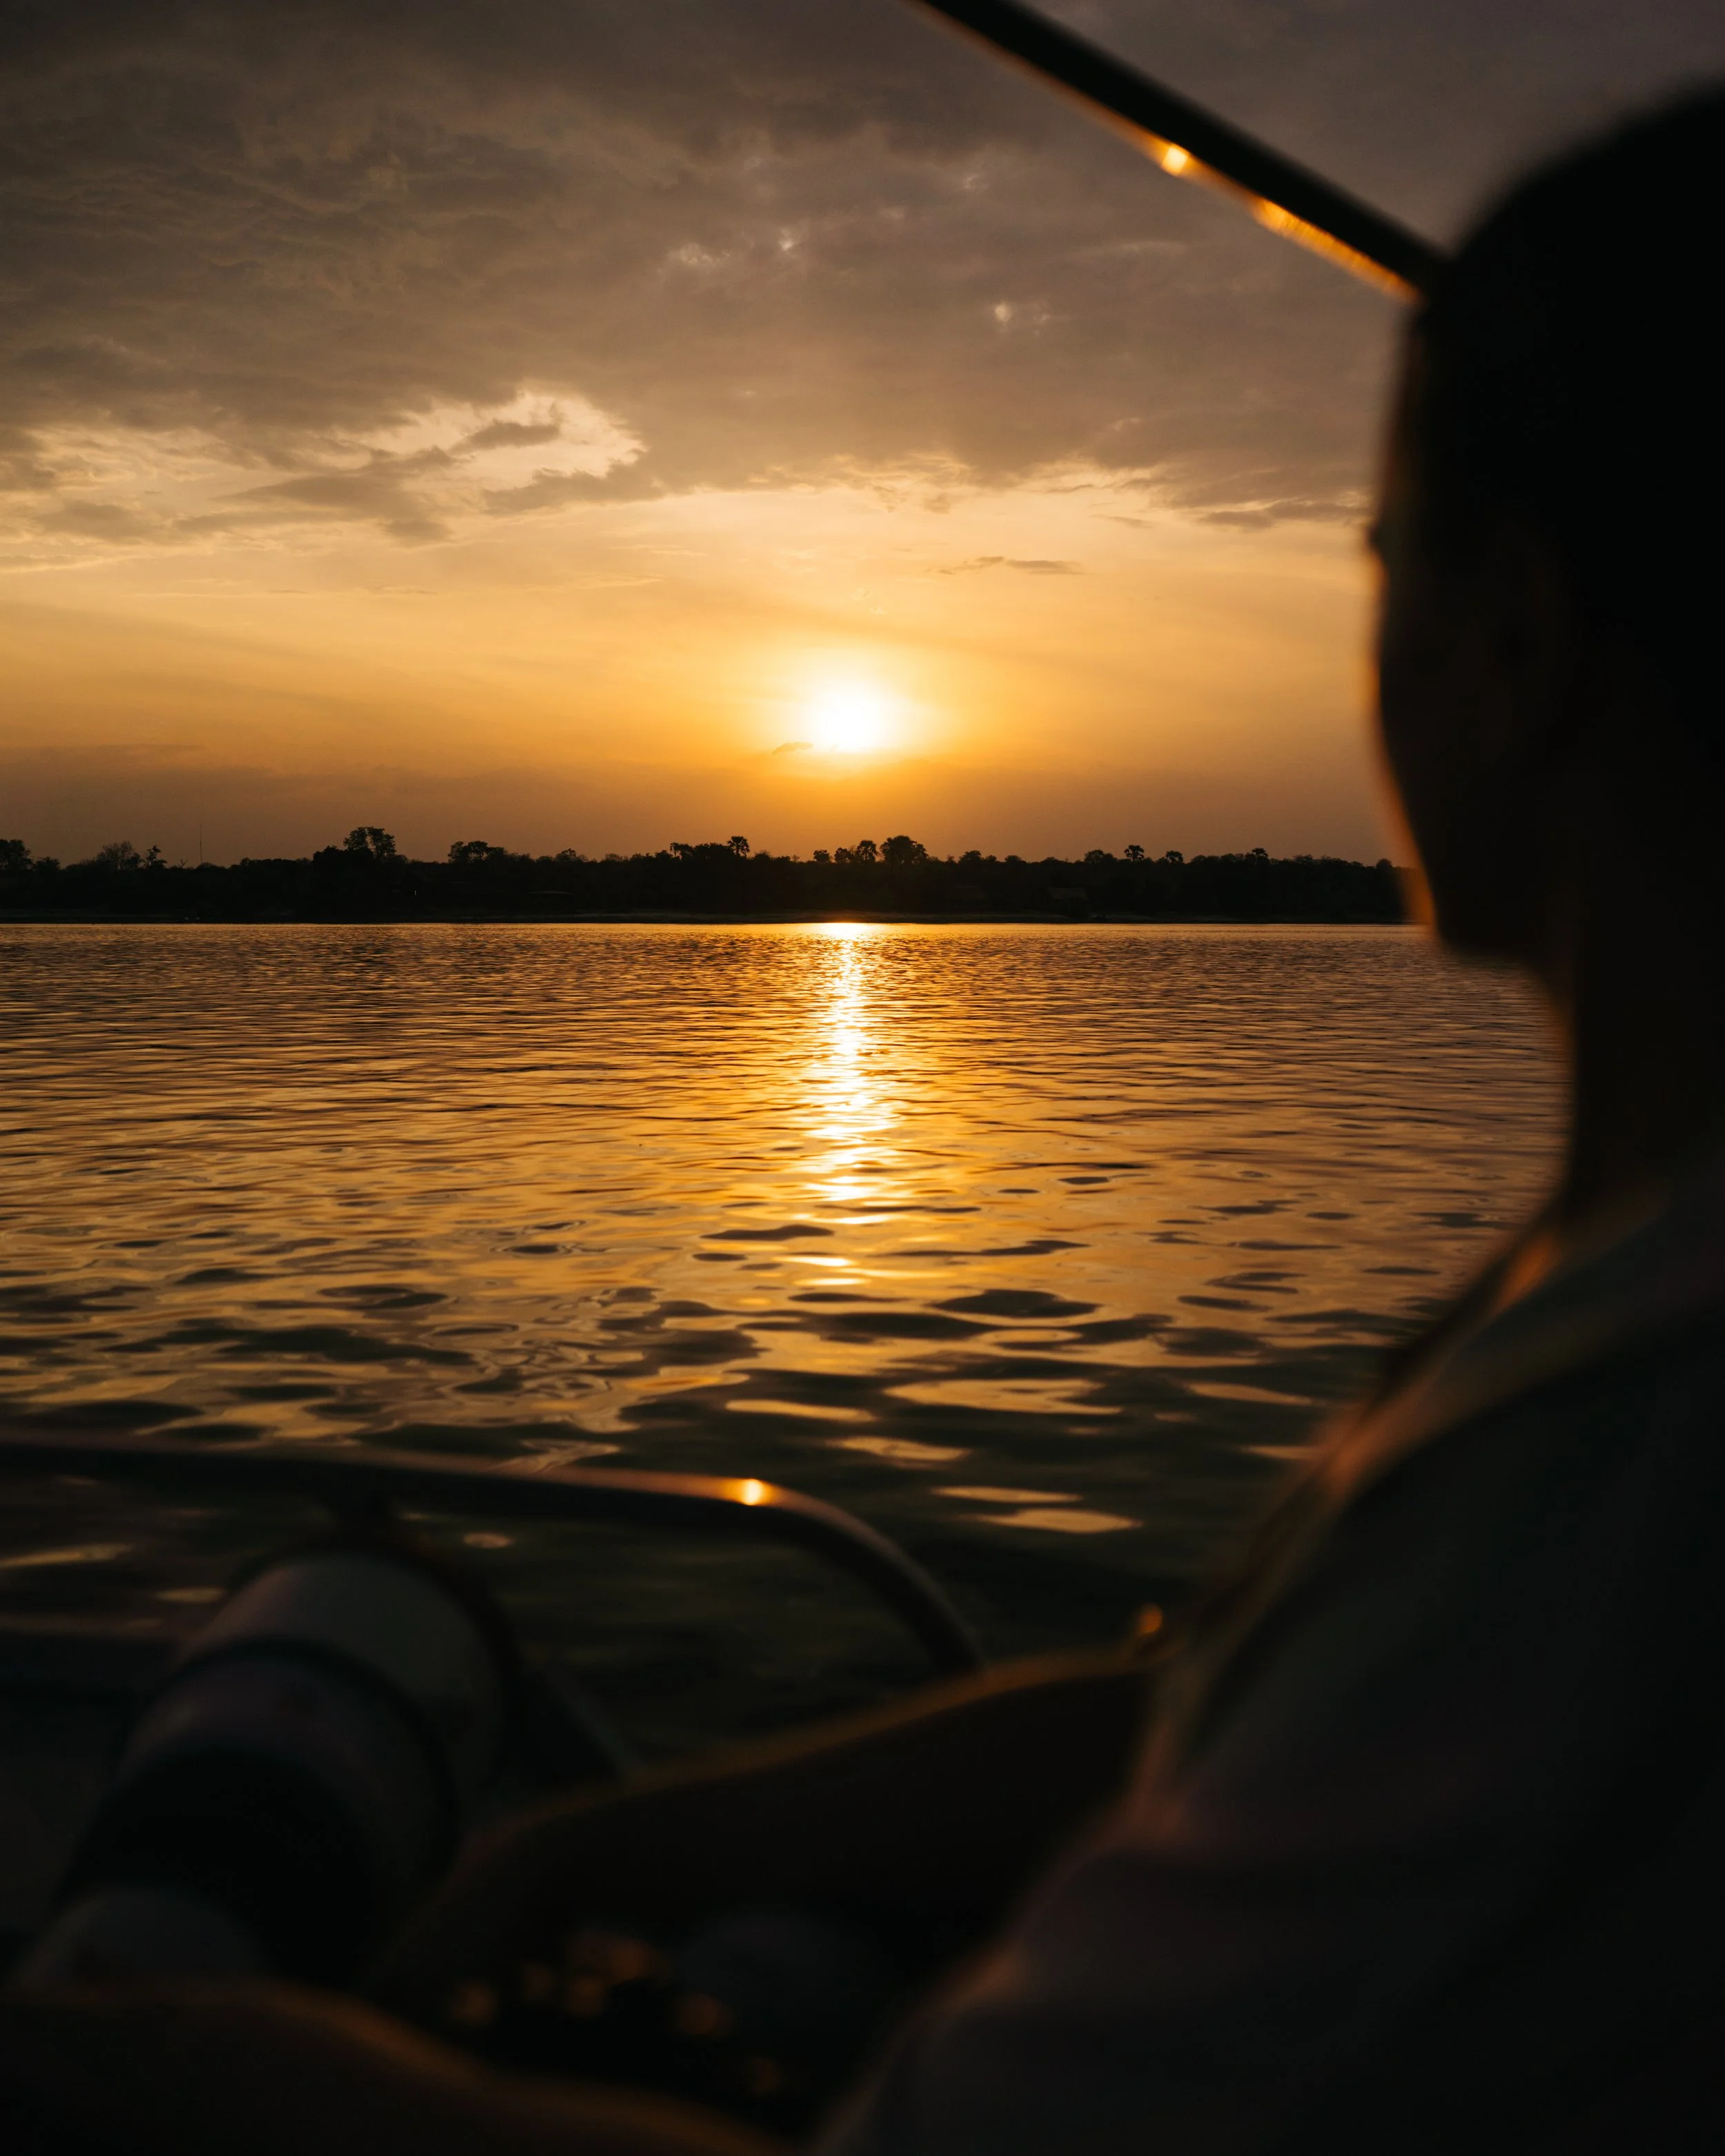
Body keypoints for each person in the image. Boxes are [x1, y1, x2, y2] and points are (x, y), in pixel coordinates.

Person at [8, 81, 1725, 2156]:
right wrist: (612, 1849)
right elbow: (1204, 1709)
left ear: (1518, 637)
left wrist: (283, 2089)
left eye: (1376, 561)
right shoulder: (1592, 1300)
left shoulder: (1604, 1449)